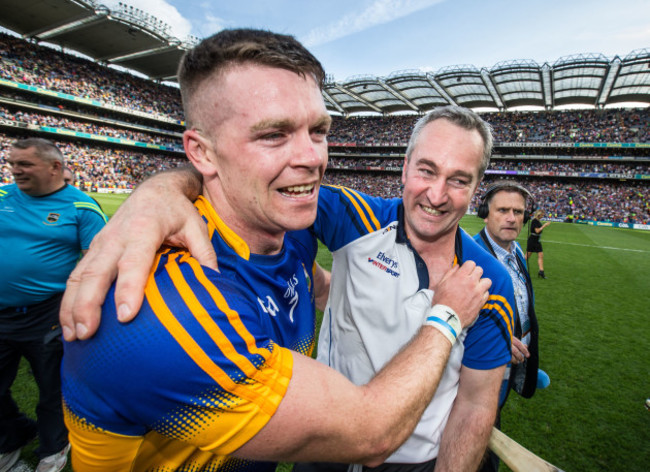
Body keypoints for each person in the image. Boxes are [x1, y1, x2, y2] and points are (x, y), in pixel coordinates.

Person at [60, 30, 492, 472]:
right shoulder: (165, 313)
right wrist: (447, 314)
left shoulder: (289, 228)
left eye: (318, 130)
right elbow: (372, 433)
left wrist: (162, 188)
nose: (311, 157)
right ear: (202, 152)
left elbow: (314, 286)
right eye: (273, 134)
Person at [0, 138, 106, 472]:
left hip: (48, 313)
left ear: (54, 167)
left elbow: (98, 263)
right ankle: (12, 439)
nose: (16, 170)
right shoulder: (2, 195)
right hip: (1, 312)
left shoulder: (82, 208)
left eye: (25, 164)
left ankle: (53, 450)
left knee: (52, 388)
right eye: (13, 163)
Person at [473, 181, 550, 472]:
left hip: (508, 368)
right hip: (478, 374)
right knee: (479, 442)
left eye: (518, 211)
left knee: (493, 423)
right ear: (485, 213)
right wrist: (503, 340)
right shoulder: (471, 256)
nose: (512, 217)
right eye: (503, 210)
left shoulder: (516, 251)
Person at [526, 209, 550, 278]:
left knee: (541, 255)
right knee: (527, 256)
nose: (542, 216)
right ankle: (518, 267)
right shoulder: (534, 221)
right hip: (533, 240)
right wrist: (544, 225)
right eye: (542, 215)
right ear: (539, 214)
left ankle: (541, 272)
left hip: (537, 241)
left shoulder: (537, 221)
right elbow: (537, 231)